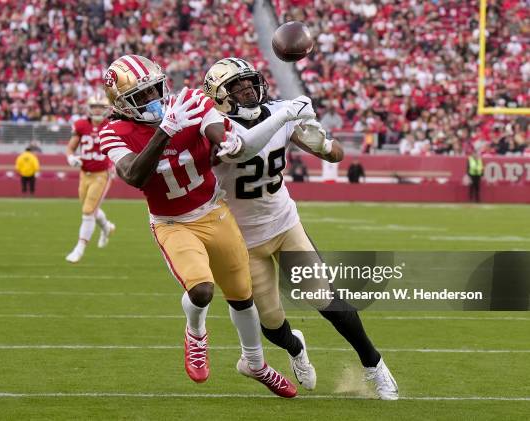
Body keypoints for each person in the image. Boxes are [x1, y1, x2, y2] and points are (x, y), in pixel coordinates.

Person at [98, 54, 314, 397]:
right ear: (122, 104)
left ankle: (256, 364)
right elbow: (134, 175)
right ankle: (195, 332)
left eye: (155, 90)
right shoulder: (114, 131)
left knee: (243, 298)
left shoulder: (191, 102)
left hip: (214, 211)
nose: (153, 100)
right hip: (172, 223)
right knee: (201, 290)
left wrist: (226, 139)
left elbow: (221, 133)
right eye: (141, 97)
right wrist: (165, 131)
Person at [203, 57, 398, 399]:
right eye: (237, 86)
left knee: (326, 299)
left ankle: (374, 365)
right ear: (220, 95)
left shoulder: (279, 113)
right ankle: (296, 349)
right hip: (242, 240)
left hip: (283, 224)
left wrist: (321, 140)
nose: (248, 90)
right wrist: (284, 117)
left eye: (250, 82)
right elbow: (237, 148)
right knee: (272, 323)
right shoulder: (212, 127)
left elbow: (334, 155)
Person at [64, 93, 116, 263]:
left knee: (88, 211)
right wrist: (70, 158)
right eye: (94, 106)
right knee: (90, 208)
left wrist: (115, 164)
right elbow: (71, 148)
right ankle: (107, 227)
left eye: (100, 106)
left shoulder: (111, 126)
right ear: (89, 108)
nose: (97, 110)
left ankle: (79, 249)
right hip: (84, 173)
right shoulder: (81, 125)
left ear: (106, 109)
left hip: (102, 174)